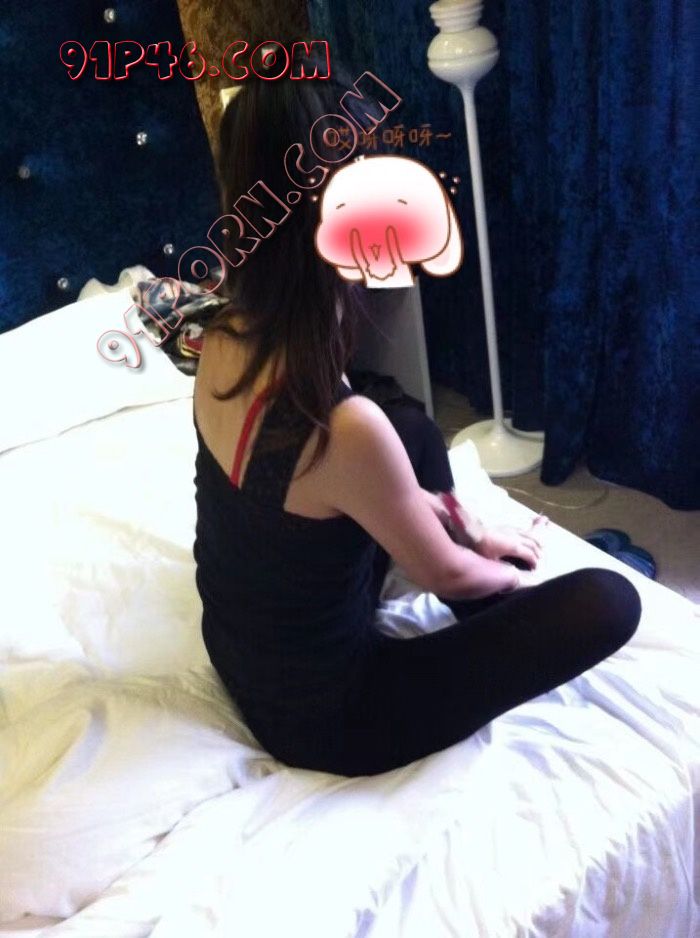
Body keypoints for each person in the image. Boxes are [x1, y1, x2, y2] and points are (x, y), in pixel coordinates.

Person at [192, 53, 641, 777]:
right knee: (609, 600)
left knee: (409, 427)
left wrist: (466, 531)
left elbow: (331, 482)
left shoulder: (222, 334)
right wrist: (493, 570)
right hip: (329, 717)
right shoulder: (341, 426)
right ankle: (503, 588)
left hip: (240, 642)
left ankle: (474, 566)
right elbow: (447, 577)